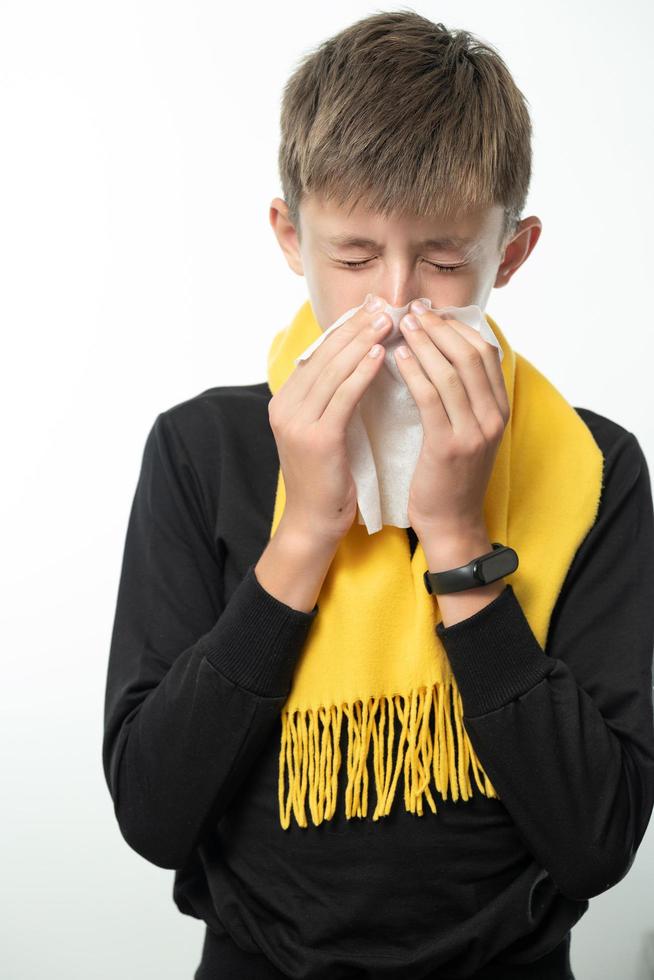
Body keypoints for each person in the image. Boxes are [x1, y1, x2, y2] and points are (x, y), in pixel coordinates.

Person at [102, 11, 654, 979]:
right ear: (289, 234)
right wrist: (307, 529)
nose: (395, 305)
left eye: (444, 259)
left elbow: (596, 840)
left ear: (511, 254)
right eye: (354, 256)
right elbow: (154, 814)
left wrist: (454, 533)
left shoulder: (597, 466)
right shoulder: (201, 449)